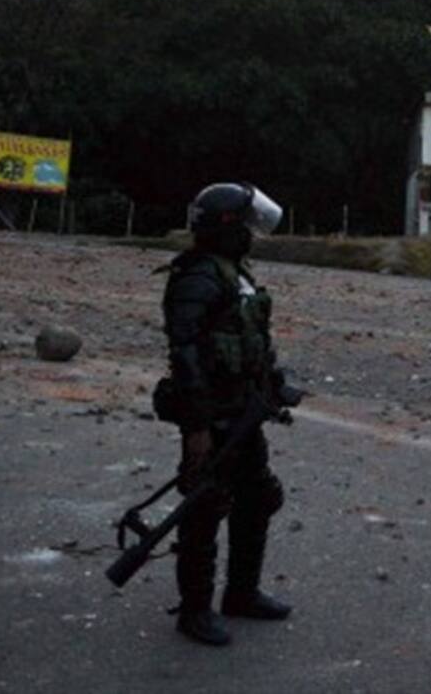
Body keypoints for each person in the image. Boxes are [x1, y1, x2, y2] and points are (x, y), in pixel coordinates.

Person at [159, 182, 291, 646]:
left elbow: (254, 339)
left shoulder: (235, 274)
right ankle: (195, 610)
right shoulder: (198, 277)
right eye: (247, 226)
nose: (254, 234)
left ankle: (241, 593)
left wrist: (274, 385)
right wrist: (197, 428)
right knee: (204, 510)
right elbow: (187, 356)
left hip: (244, 413)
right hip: (212, 418)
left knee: (257, 499)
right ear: (228, 227)